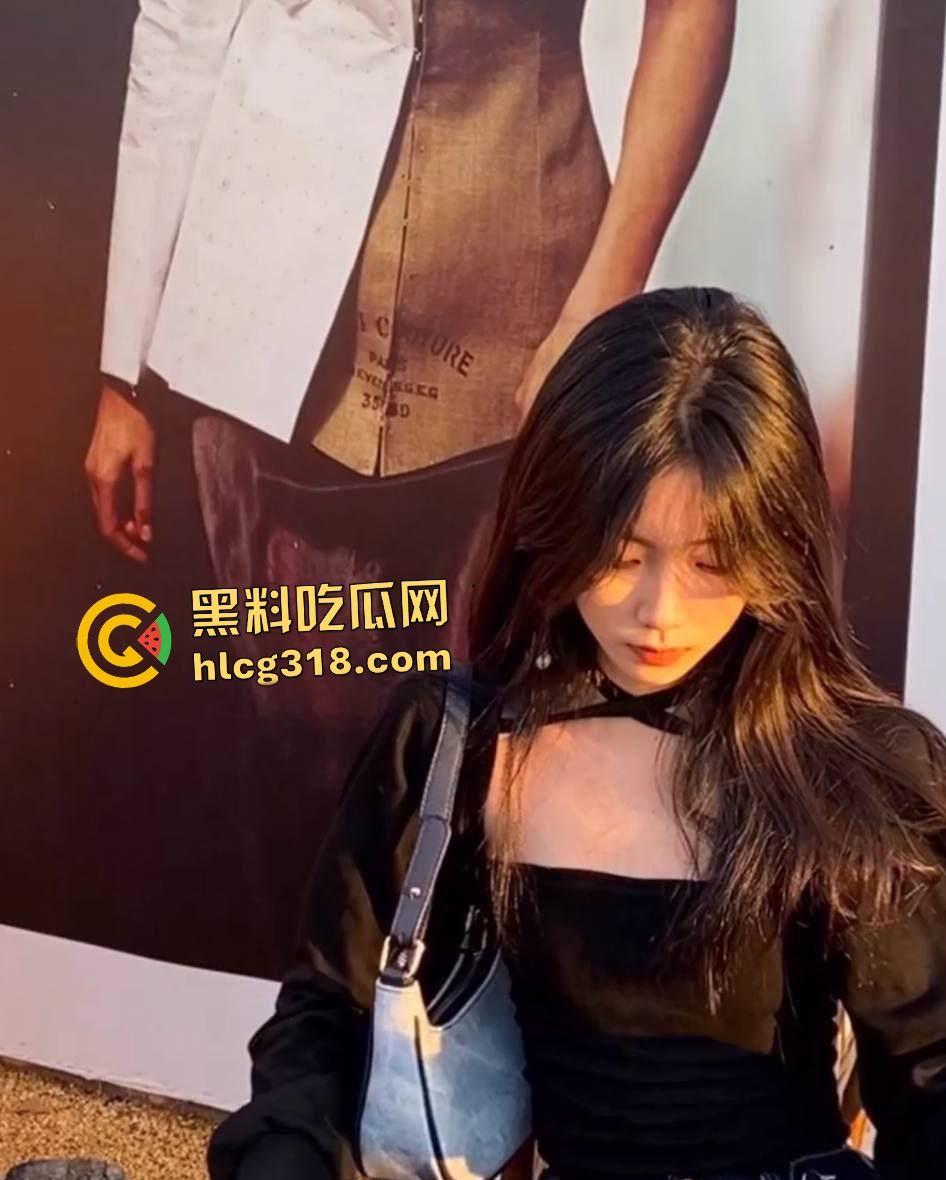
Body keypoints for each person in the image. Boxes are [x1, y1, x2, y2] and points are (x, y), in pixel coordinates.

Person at [206, 285, 946, 1180]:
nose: (659, 611)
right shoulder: (457, 745)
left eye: (714, 561)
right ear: (554, 525)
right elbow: (329, 1013)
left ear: (777, 547)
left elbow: (931, 1076)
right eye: (621, 555)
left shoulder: (854, 770)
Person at [84, 0, 736, 763]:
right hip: (259, 335)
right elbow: (180, 27)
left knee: (498, 753)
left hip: (519, 326)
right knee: (287, 754)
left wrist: (598, 306)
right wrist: (125, 371)